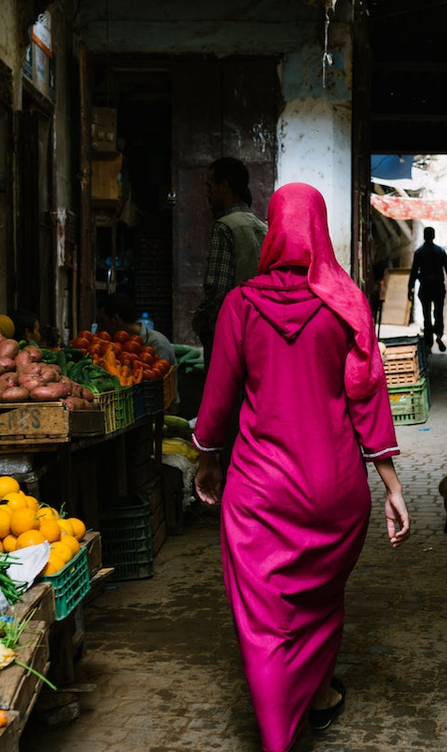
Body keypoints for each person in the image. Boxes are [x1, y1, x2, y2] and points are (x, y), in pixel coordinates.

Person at [193, 182, 410, 752]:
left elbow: (217, 402)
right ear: (321, 229)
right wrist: (392, 485)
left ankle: (275, 736)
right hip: (334, 488)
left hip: (259, 489)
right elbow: (369, 396)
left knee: (267, 622)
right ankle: (316, 696)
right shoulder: (346, 303)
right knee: (317, 602)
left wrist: (207, 459)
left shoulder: (241, 305)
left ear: (273, 229)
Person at [192, 157, 268, 368]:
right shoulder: (262, 227)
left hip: (230, 331)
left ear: (224, 186)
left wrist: (201, 321)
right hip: (258, 328)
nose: (207, 193)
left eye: (210, 185)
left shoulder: (224, 226)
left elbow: (217, 288)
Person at [97, 293, 180, 409]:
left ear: (115, 319)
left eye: (102, 321)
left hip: (161, 408)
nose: (100, 327)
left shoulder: (156, 343)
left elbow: (158, 385)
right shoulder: (116, 344)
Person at [407, 226, 447, 353]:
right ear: (433, 236)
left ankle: (428, 343)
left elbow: (413, 272)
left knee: (426, 315)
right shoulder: (440, 251)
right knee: (438, 314)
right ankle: (439, 335)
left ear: (424, 236)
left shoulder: (419, 252)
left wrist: (410, 288)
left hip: (425, 287)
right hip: (438, 287)